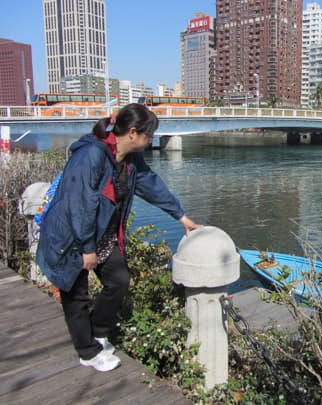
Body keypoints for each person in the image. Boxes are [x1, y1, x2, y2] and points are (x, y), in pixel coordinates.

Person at [36, 103, 203, 372]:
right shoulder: (91, 155)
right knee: (76, 295)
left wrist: (180, 216)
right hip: (71, 237)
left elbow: (152, 185)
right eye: (150, 135)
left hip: (100, 234)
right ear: (134, 133)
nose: (152, 141)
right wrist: (87, 249)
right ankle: (87, 352)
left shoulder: (130, 160)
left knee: (118, 280)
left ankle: (98, 332)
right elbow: (78, 205)